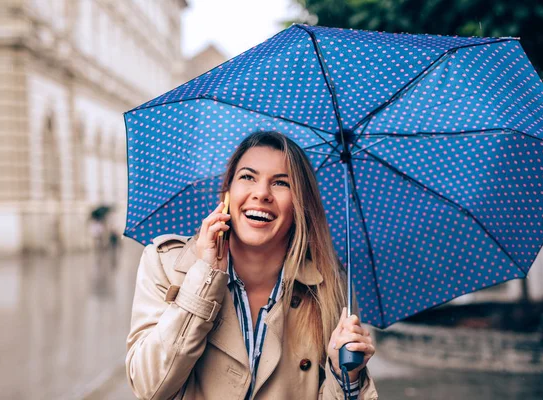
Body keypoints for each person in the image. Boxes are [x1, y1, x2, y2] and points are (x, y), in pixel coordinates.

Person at [125, 131, 378, 399]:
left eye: (281, 183)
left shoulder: (330, 287)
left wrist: (345, 377)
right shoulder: (168, 264)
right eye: (248, 177)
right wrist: (203, 280)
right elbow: (149, 387)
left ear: (300, 204)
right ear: (227, 193)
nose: (261, 193)